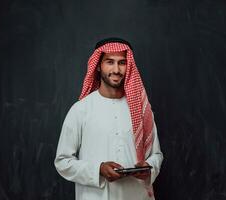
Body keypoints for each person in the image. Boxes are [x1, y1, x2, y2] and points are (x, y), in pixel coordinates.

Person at [54, 37, 163, 200]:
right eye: (110, 62)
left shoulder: (141, 109)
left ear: (129, 66)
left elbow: (156, 155)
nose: (116, 70)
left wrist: (149, 168)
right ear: (98, 66)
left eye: (122, 63)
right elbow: (63, 161)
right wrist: (98, 169)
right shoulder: (81, 109)